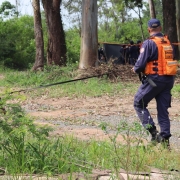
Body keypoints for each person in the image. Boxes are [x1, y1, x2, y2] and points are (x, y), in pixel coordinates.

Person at [131, 18, 177, 148]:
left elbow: (140, 65)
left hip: (154, 80)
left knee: (138, 103)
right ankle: (165, 141)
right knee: (163, 110)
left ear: (149, 29)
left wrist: (135, 69)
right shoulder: (168, 43)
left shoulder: (148, 43)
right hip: (168, 80)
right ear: (160, 28)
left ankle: (154, 134)